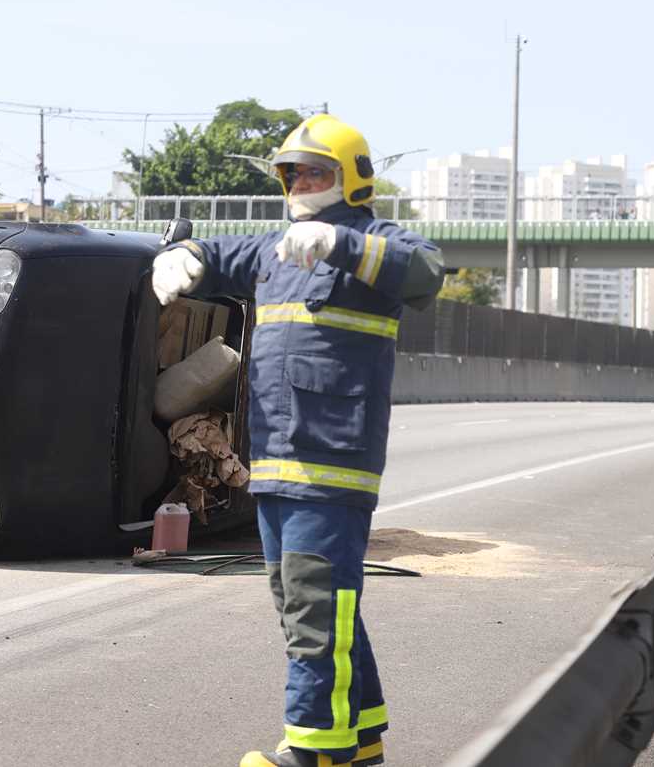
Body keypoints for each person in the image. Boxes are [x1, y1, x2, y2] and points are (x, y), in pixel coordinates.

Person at [151, 114, 445, 767]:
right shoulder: (277, 248)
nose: (301, 183)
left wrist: (339, 245)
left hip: (333, 467)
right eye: (292, 172)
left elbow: (426, 272)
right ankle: (360, 737)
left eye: (316, 172)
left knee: (316, 610)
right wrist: (188, 256)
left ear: (354, 180)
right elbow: (228, 253)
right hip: (278, 464)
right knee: (311, 603)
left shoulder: (374, 242)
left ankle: (312, 753)